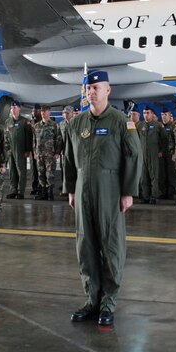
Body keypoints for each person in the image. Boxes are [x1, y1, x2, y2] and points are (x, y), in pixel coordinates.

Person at [63, 70, 141, 327]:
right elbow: (68, 160)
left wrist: (127, 191)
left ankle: (108, 302)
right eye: (89, 88)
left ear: (108, 90)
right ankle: (91, 299)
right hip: (83, 190)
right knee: (85, 246)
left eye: (97, 87)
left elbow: (133, 156)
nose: (92, 92)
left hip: (110, 190)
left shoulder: (121, 122)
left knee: (110, 245)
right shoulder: (76, 124)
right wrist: (72, 189)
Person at [5, 101, 33, 199]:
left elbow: (29, 137)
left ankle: (20, 191)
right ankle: (13, 190)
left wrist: (27, 150)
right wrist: (7, 149)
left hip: (21, 149)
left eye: (15, 107)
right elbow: (6, 136)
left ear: (19, 108)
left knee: (21, 171)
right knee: (12, 171)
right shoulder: (8, 121)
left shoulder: (25, 121)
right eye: (12, 108)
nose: (13, 109)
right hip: (10, 150)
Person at [137, 106, 165, 204]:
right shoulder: (140, 126)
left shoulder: (158, 125)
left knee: (154, 176)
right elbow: (135, 140)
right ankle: (145, 196)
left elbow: (164, 140)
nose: (146, 115)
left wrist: (161, 150)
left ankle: (154, 196)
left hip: (154, 154)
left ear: (152, 114)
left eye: (148, 112)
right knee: (143, 176)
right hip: (143, 154)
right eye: (144, 113)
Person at [33, 104, 61, 200]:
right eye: (42, 112)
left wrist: (57, 152)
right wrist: (35, 152)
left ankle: (50, 193)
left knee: (50, 174)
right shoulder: (37, 126)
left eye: (45, 111)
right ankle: (43, 193)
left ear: (49, 112)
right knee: (41, 174)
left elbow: (58, 139)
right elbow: (34, 140)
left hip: (50, 154)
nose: (43, 113)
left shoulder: (54, 125)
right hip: (40, 154)